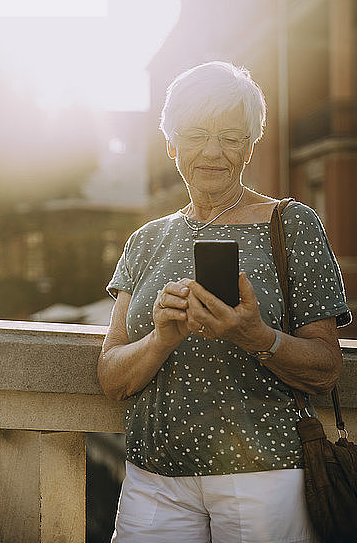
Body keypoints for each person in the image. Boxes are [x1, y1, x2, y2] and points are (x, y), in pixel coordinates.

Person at [97, 61, 351, 543]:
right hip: (155, 479)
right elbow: (111, 376)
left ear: (251, 146)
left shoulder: (292, 224)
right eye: (196, 134)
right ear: (171, 144)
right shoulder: (147, 240)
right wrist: (162, 338)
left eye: (232, 136)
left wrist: (253, 335)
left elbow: (326, 367)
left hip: (262, 477)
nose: (213, 151)